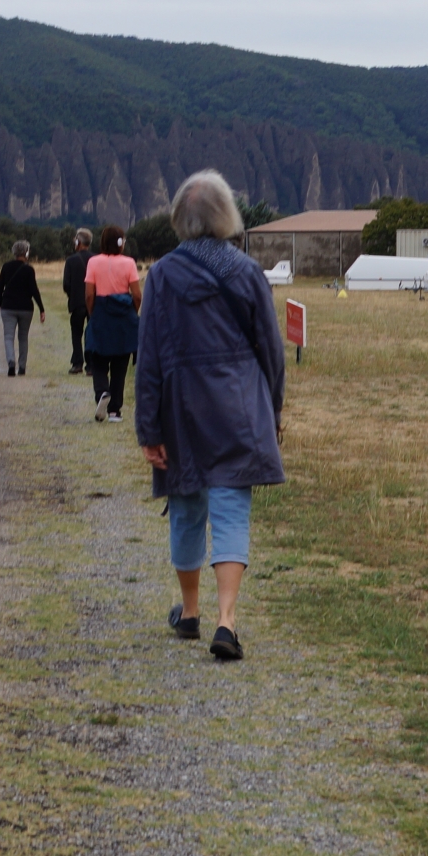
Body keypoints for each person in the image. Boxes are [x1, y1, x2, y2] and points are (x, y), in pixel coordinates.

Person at [135, 170, 285, 663]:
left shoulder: (160, 275)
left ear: (179, 218)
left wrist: (148, 429)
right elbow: (270, 347)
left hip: (181, 407)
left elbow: (150, 358)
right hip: (238, 404)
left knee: (185, 506)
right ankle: (228, 620)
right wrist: (273, 410)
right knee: (230, 509)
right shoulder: (245, 272)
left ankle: (190, 610)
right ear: (227, 217)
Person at [83, 225, 143, 423]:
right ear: (121, 243)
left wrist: (93, 313)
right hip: (123, 314)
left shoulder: (93, 262)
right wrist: (132, 312)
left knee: (97, 358)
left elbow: (89, 293)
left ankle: (102, 392)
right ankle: (115, 410)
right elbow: (136, 294)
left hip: (101, 311)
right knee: (120, 363)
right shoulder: (129, 263)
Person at [0, 240, 45, 376]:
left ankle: (11, 362)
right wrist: (41, 308)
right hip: (25, 308)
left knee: (8, 336)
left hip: (8, 307)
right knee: (23, 337)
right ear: (26, 252)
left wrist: (1, 302)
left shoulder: (6, 266)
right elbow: (34, 290)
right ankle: (22, 366)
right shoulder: (29, 269)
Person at [62, 228, 94, 374]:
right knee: (92, 333)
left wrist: (72, 294)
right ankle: (92, 364)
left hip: (76, 302)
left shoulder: (70, 260)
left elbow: (66, 284)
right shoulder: (96, 259)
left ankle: (77, 363)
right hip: (94, 302)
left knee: (76, 333)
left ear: (78, 242)